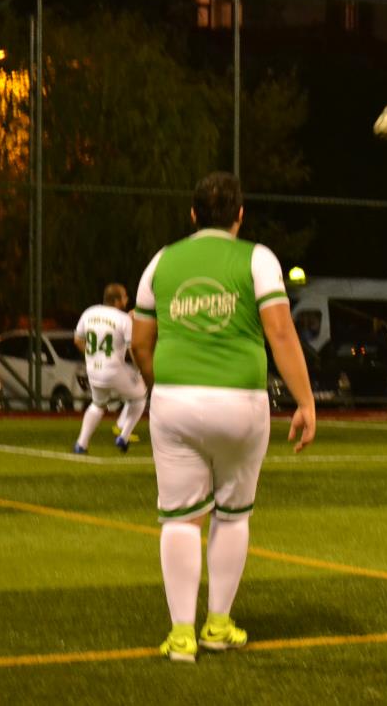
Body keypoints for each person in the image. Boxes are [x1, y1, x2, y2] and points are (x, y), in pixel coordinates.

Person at [130, 171, 316, 664]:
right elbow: (280, 332)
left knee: (179, 518)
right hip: (240, 401)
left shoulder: (161, 261)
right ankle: (217, 625)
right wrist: (305, 401)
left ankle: (181, 636)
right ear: (240, 215)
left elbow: (140, 342)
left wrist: (161, 385)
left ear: (193, 214)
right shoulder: (258, 258)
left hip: (175, 401)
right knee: (233, 514)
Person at [72, 283, 147, 455]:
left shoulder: (89, 312)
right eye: (125, 296)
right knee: (139, 397)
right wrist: (140, 369)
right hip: (113, 370)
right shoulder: (123, 319)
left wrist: (92, 356)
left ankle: (81, 444)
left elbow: (77, 340)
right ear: (117, 300)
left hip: (93, 370)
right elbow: (133, 349)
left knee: (98, 405)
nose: (127, 299)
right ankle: (123, 436)